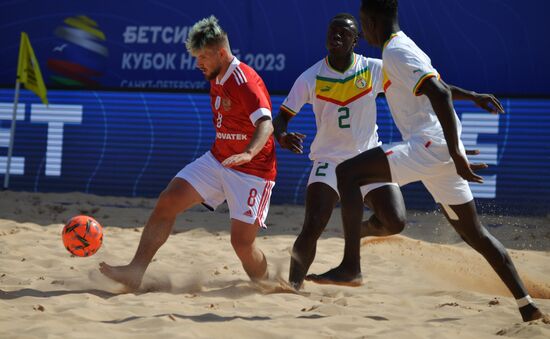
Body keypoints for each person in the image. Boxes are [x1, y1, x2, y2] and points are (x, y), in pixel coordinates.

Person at [308, 0, 543, 322]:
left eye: (363, 23)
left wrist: (456, 152)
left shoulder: (396, 52)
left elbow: (439, 94)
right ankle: (526, 305)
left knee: (348, 172)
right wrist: (472, 99)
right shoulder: (400, 50)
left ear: (374, 22)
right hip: (439, 152)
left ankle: (350, 266)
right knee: (476, 235)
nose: (363, 31)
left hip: (429, 146)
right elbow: (437, 87)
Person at [275, 13, 503, 290]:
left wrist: (472, 95)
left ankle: (357, 231)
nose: (335, 36)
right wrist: (282, 135)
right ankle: (292, 287)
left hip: (367, 157)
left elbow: (432, 88)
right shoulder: (310, 77)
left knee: (395, 222)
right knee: (313, 224)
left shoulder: (374, 69)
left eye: (343, 33)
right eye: (331, 32)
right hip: (329, 159)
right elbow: (283, 117)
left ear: (355, 40)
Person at [99, 15, 276, 290]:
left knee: (242, 244)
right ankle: (135, 271)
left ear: (221, 52)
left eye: (203, 56)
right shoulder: (216, 73)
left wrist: (250, 153)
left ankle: (268, 285)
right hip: (218, 159)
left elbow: (266, 123)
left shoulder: (244, 80)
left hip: (252, 170)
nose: (198, 63)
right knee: (168, 200)